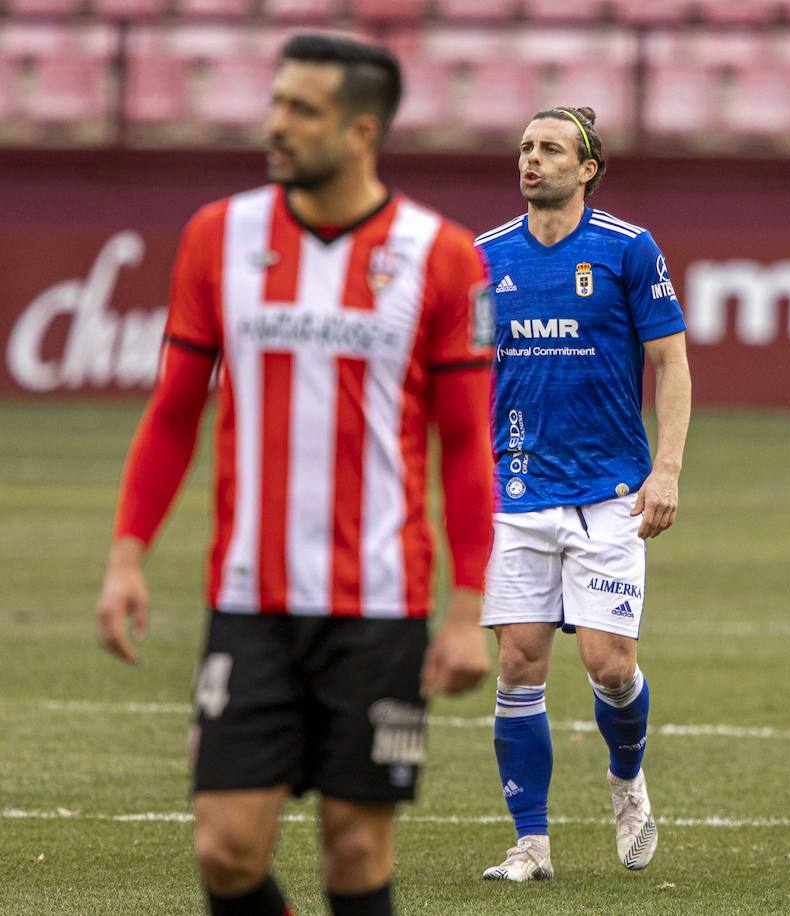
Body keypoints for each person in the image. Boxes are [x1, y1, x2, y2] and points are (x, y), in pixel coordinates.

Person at [93, 33, 495, 916]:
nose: (275, 124)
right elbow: (172, 414)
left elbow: (469, 447)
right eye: (276, 102)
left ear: (360, 131)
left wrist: (468, 613)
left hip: (380, 605)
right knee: (226, 851)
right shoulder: (218, 235)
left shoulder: (445, 255)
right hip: (250, 599)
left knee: (356, 853)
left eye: (300, 110)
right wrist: (127, 559)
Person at [472, 106, 691, 881]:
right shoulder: (485, 256)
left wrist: (666, 470)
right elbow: (468, 373)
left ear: (587, 168)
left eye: (551, 149)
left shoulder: (630, 249)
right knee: (518, 667)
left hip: (610, 491)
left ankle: (626, 777)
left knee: (609, 667)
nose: (532, 159)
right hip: (518, 490)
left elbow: (670, 363)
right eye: (526, 146)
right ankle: (530, 844)